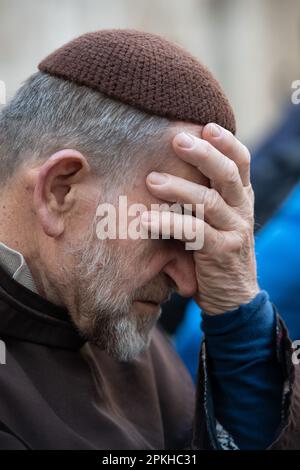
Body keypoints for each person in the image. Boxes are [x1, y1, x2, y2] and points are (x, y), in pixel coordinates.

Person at [0, 29, 297, 450]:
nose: (189, 284)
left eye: (196, 237)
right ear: (60, 191)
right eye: (167, 231)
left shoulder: (121, 328)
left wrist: (239, 313)